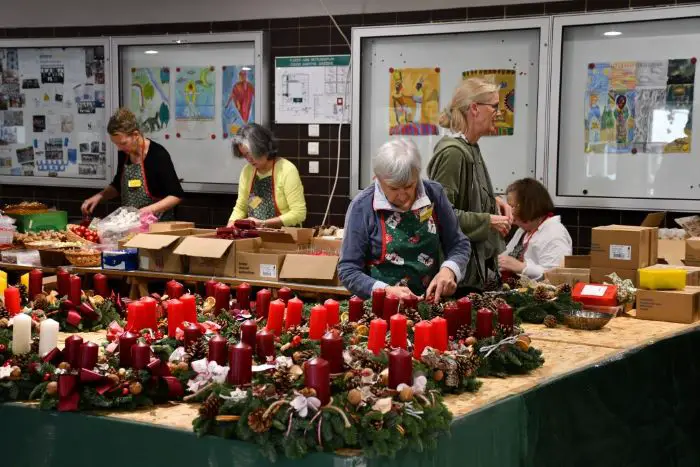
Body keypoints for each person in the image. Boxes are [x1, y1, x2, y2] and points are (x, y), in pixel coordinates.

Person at [338, 139, 471, 303]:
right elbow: (348, 270)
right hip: (381, 311)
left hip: (430, 305)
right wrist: (384, 291)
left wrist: (449, 270)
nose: (402, 196)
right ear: (377, 179)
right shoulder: (362, 207)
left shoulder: (434, 194)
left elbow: (459, 244)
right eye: (393, 188)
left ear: (417, 175)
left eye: (409, 186)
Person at [427, 77, 512, 292]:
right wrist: (487, 221)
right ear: (474, 108)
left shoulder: (470, 147)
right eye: (494, 106)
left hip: (472, 273)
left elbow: (466, 196)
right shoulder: (453, 153)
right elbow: (439, 215)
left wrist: (492, 201)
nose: (499, 112)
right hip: (457, 279)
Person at [81, 108, 183, 220]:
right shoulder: (124, 153)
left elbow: (176, 195)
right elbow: (118, 186)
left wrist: (145, 211)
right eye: (116, 144)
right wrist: (99, 197)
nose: (119, 148)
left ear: (135, 134)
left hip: (158, 226)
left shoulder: (158, 155)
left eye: (123, 143)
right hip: (132, 223)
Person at [228, 124, 306, 228]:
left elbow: (299, 213)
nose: (249, 159)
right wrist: (230, 225)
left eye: (251, 153)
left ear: (263, 148)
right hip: (255, 235)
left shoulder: (286, 170)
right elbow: (241, 208)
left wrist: (263, 224)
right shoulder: (247, 172)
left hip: (285, 237)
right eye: (245, 155)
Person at [498, 178, 572, 281]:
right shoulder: (524, 230)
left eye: (512, 206)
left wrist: (522, 268)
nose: (509, 211)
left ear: (529, 206)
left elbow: (556, 276)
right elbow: (503, 259)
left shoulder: (554, 234)